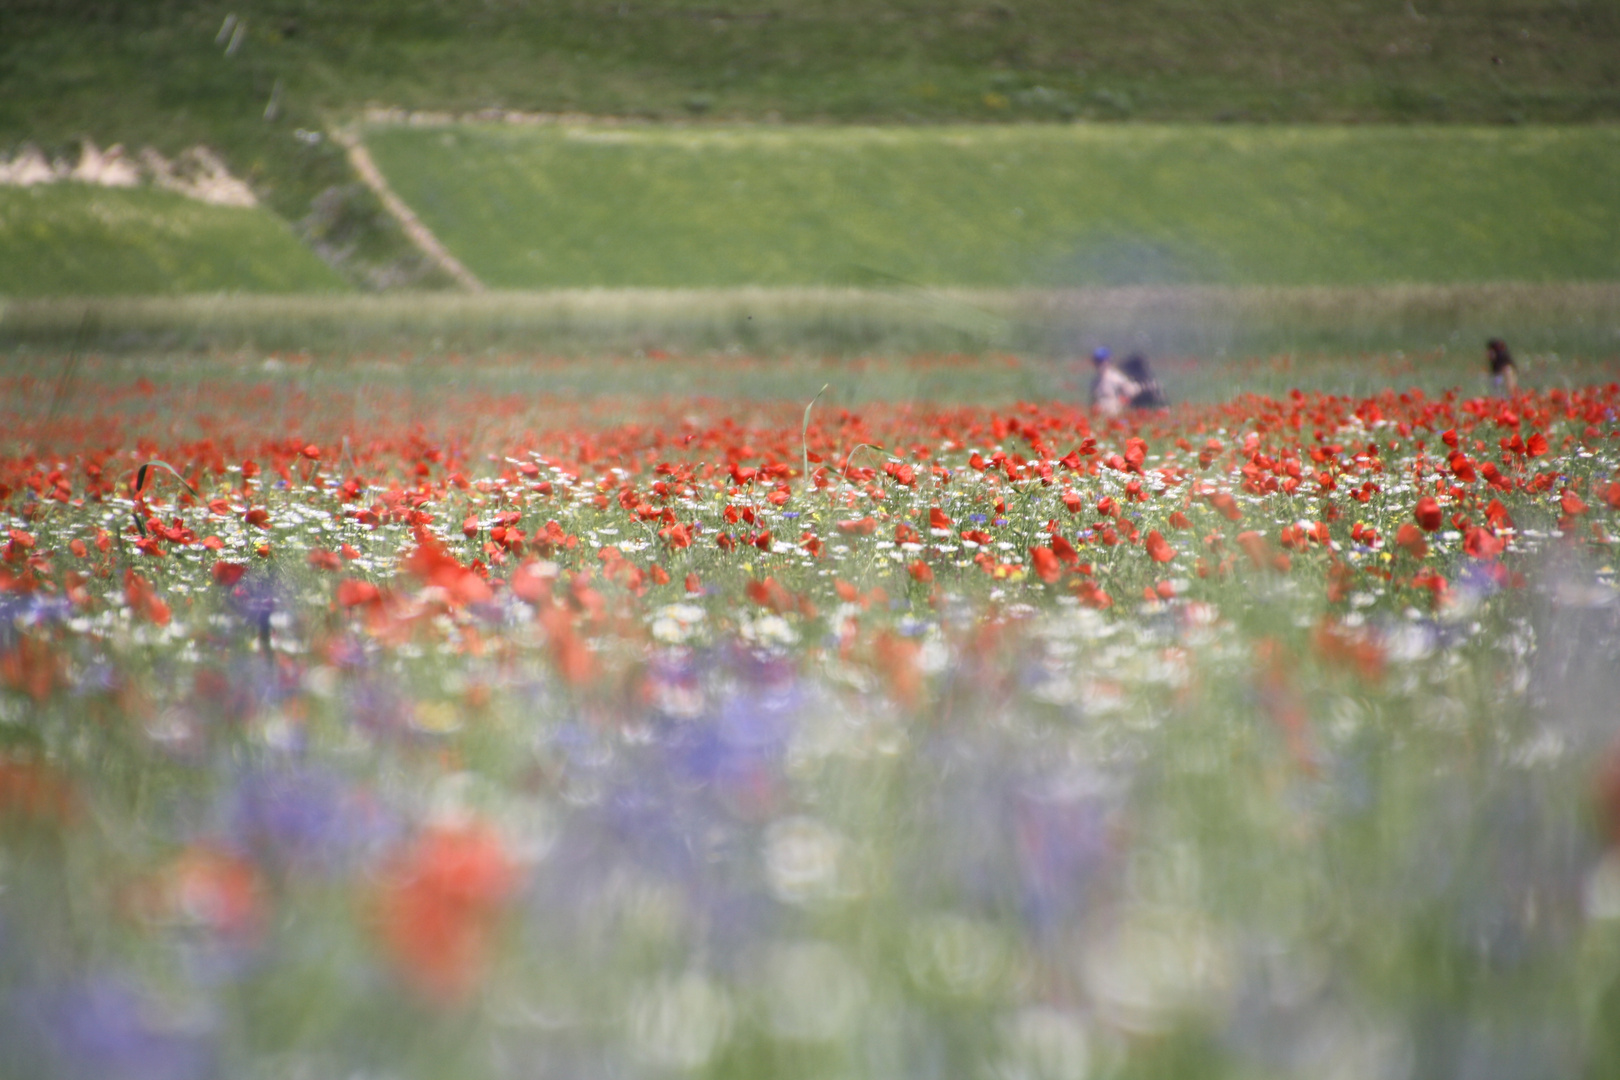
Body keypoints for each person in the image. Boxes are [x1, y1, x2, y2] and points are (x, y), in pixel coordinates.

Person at [1088, 347, 1137, 417]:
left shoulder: (1116, 377)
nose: (1099, 364)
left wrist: (1122, 403)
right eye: (1097, 361)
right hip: (1099, 414)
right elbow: (1093, 399)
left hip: (1113, 412)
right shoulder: (1095, 380)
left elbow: (1131, 392)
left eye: (1101, 361)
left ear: (1108, 361)